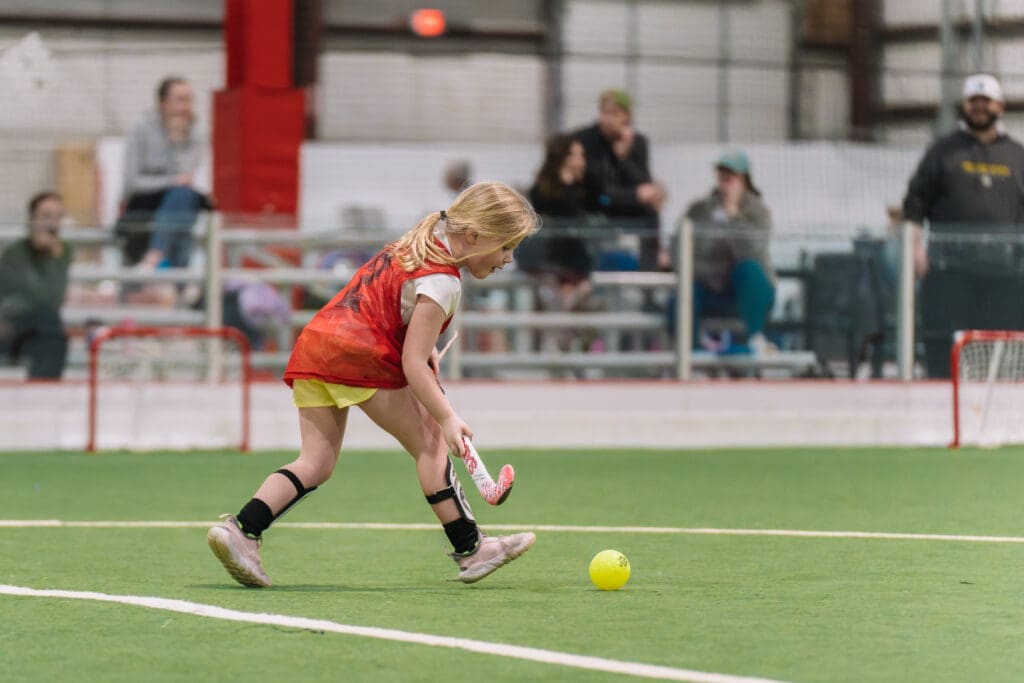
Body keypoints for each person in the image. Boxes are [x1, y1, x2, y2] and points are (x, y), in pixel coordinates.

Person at [207, 182, 539, 588]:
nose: (508, 259)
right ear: (474, 235)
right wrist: (447, 417)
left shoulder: (425, 238)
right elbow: (413, 364)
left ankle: (241, 531)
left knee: (315, 462)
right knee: (432, 444)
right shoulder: (444, 281)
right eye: (506, 246)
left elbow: (392, 308)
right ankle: (473, 550)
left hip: (317, 344)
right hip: (358, 355)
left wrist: (419, 347)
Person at [902, 73, 1024, 378]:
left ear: (1000, 106)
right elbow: (914, 204)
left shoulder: (1016, 155)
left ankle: (1002, 400)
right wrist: (915, 248)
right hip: (949, 271)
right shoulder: (942, 152)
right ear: (964, 106)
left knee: (1004, 346)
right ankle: (941, 395)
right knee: (942, 344)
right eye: (973, 101)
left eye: (986, 101)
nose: (979, 107)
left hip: (1004, 274)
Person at [665, 151, 776, 354]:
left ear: (743, 180)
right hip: (709, 287)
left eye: (731, 178)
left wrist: (734, 216)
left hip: (743, 291)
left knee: (749, 269)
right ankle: (690, 355)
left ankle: (752, 337)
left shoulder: (758, 212)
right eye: (722, 177)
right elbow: (680, 245)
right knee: (683, 295)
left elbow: (751, 252)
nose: (725, 183)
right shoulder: (700, 209)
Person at [117, 76, 212, 268]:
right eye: (181, 100)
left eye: (190, 100)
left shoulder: (196, 132)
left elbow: (185, 178)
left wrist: (176, 141)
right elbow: (132, 183)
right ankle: (170, 270)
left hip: (177, 206)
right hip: (143, 205)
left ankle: (156, 254)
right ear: (163, 103)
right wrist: (169, 181)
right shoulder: (140, 128)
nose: (186, 107)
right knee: (182, 203)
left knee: (183, 197)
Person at [572, 89, 665, 270]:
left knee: (650, 211)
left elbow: (643, 183)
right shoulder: (586, 140)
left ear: (626, 117)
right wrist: (634, 194)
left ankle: (649, 269)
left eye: (614, 114)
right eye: (605, 113)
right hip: (597, 203)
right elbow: (597, 186)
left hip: (623, 204)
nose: (608, 120)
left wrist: (623, 158)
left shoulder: (638, 143)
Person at [0, 192, 73, 379]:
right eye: (46, 216)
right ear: (32, 220)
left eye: (57, 216)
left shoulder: (62, 252)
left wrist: (52, 259)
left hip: (41, 329)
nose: (52, 223)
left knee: (54, 337)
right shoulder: (15, 253)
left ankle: (44, 389)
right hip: (11, 327)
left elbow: (54, 299)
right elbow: (33, 298)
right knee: (48, 323)